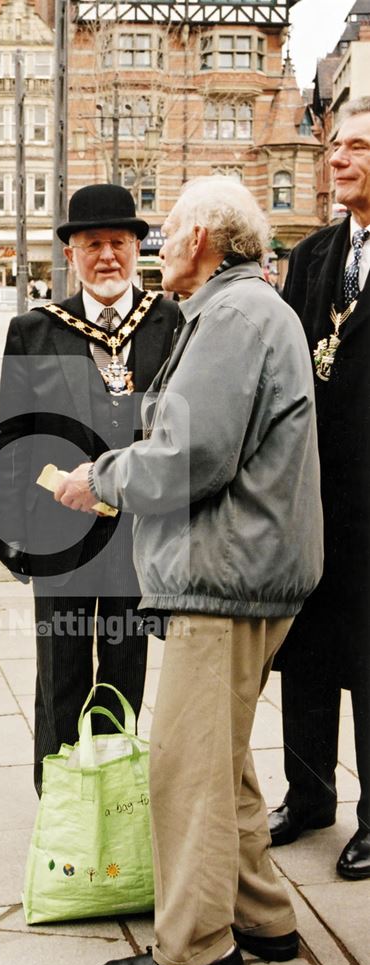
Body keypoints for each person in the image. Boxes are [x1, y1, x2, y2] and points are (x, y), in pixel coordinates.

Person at [57, 176, 323, 965]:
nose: (159, 246)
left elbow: (188, 457)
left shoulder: (233, 316)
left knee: (186, 768)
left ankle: (196, 952)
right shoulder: (240, 309)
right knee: (224, 759)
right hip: (241, 567)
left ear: (203, 236)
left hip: (224, 575)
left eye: (167, 231)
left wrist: (96, 480)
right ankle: (263, 915)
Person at [0, 183, 178, 795]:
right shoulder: (35, 329)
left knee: (126, 668)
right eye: (93, 243)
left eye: (119, 243)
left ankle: (118, 799)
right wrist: (14, 534)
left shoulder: (171, 323)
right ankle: (62, 803)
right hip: (58, 534)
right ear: (70, 253)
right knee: (61, 673)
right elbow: (13, 436)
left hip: (141, 536)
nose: (107, 256)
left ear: (137, 249)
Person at [268, 96, 370, 879]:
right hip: (311, 500)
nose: (337, 159)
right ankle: (307, 797)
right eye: (335, 145)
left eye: (358, 147)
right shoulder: (310, 258)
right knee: (302, 651)